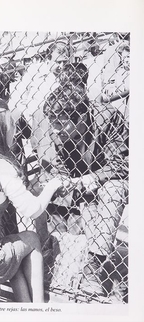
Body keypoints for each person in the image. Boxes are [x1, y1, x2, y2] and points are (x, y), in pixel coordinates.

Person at [0, 96, 66, 303]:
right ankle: (37, 310)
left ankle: (25, 311)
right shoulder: (2, 167)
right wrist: (53, 185)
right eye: (11, 126)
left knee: (11, 249)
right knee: (31, 239)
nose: (15, 131)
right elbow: (33, 209)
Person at [43, 84, 128, 299]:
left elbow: (122, 164)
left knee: (112, 189)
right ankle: (107, 277)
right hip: (86, 185)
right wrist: (62, 181)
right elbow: (63, 167)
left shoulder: (107, 118)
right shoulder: (58, 132)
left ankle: (93, 268)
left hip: (121, 178)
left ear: (81, 117)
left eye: (60, 124)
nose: (54, 130)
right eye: (52, 123)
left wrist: (91, 178)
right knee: (93, 226)